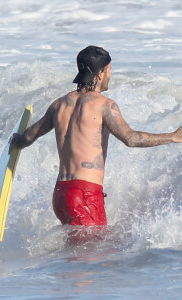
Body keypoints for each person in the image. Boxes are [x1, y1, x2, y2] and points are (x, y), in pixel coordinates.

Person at [9, 45, 182, 227]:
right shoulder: (104, 105)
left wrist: (16, 141)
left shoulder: (58, 105)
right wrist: (173, 137)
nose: (110, 75)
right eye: (109, 70)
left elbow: (27, 137)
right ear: (100, 73)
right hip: (84, 195)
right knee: (93, 254)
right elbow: (130, 139)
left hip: (60, 195)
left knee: (81, 250)